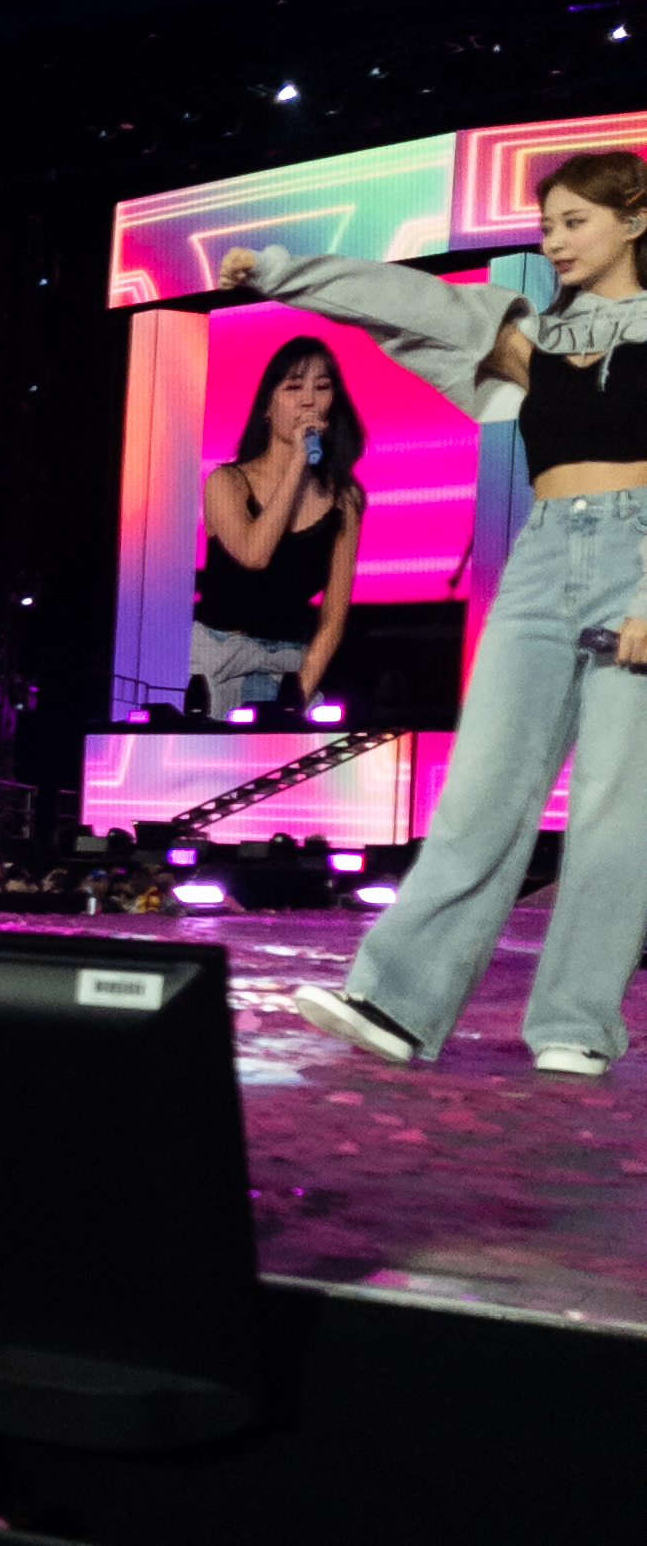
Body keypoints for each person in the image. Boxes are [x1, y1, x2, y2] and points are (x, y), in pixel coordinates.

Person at [219, 149, 647, 1077]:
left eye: (574, 221)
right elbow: (401, 300)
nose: (554, 240)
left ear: (634, 220)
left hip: (640, 555)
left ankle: (575, 1024)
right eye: (545, 225)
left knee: (618, 810)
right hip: (543, 558)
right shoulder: (531, 332)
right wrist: (282, 272)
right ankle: (399, 1004)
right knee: (479, 790)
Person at [193, 337, 367, 715]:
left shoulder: (345, 497)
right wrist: (296, 466)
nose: (309, 400)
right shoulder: (226, 482)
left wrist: (295, 696)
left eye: (322, 387)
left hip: (289, 662)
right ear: (267, 406)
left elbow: (333, 619)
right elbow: (254, 554)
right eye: (293, 387)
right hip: (217, 658)